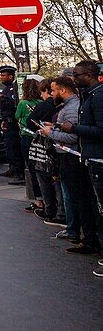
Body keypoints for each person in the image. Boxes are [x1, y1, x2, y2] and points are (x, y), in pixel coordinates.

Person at [41, 76, 97, 254]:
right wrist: (55, 127)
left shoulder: (72, 107)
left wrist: (50, 133)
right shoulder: (70, 106)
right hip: (69, 158)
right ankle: (86, 237)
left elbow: (73, 136)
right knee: (78, 199)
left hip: (72, 159)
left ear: (63, 90)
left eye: (54, 90)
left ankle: (90, 239)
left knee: (81, 200)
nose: (52, 93)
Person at [62, 61, 103, 256]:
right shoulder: (88, 96)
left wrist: (74, 128)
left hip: (99, 159)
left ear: (88, 75)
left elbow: (101, 130)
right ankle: (92, 242)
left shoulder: (97, 97)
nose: (74, 78)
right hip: (91, 158)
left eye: (76, 75)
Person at [28, 79, 63, 225]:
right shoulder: (62, 106)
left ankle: (53, 210)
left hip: (48, 145)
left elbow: (30, 121)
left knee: (45, 177)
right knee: (58, 180)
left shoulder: (44, 106)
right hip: (60, 146)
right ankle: (61, 211)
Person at [16, 75, 44, 213]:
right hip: (40, 136)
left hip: (27, 136)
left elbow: (17, 116)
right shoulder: (41, 102)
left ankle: (38, 200)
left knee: (31, 167)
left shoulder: (23, 104)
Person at [0, 65, 24, 183]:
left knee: (14, 147)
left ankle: (19, 173)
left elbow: (14, 106)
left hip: (14, 123)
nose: (1, 77)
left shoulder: (14, 89)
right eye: (0, 75)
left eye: (3, 75)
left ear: (11, 76)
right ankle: (12, 168)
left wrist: (4, 99)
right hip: (7, 121)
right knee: (9, 147)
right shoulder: (6, 89)